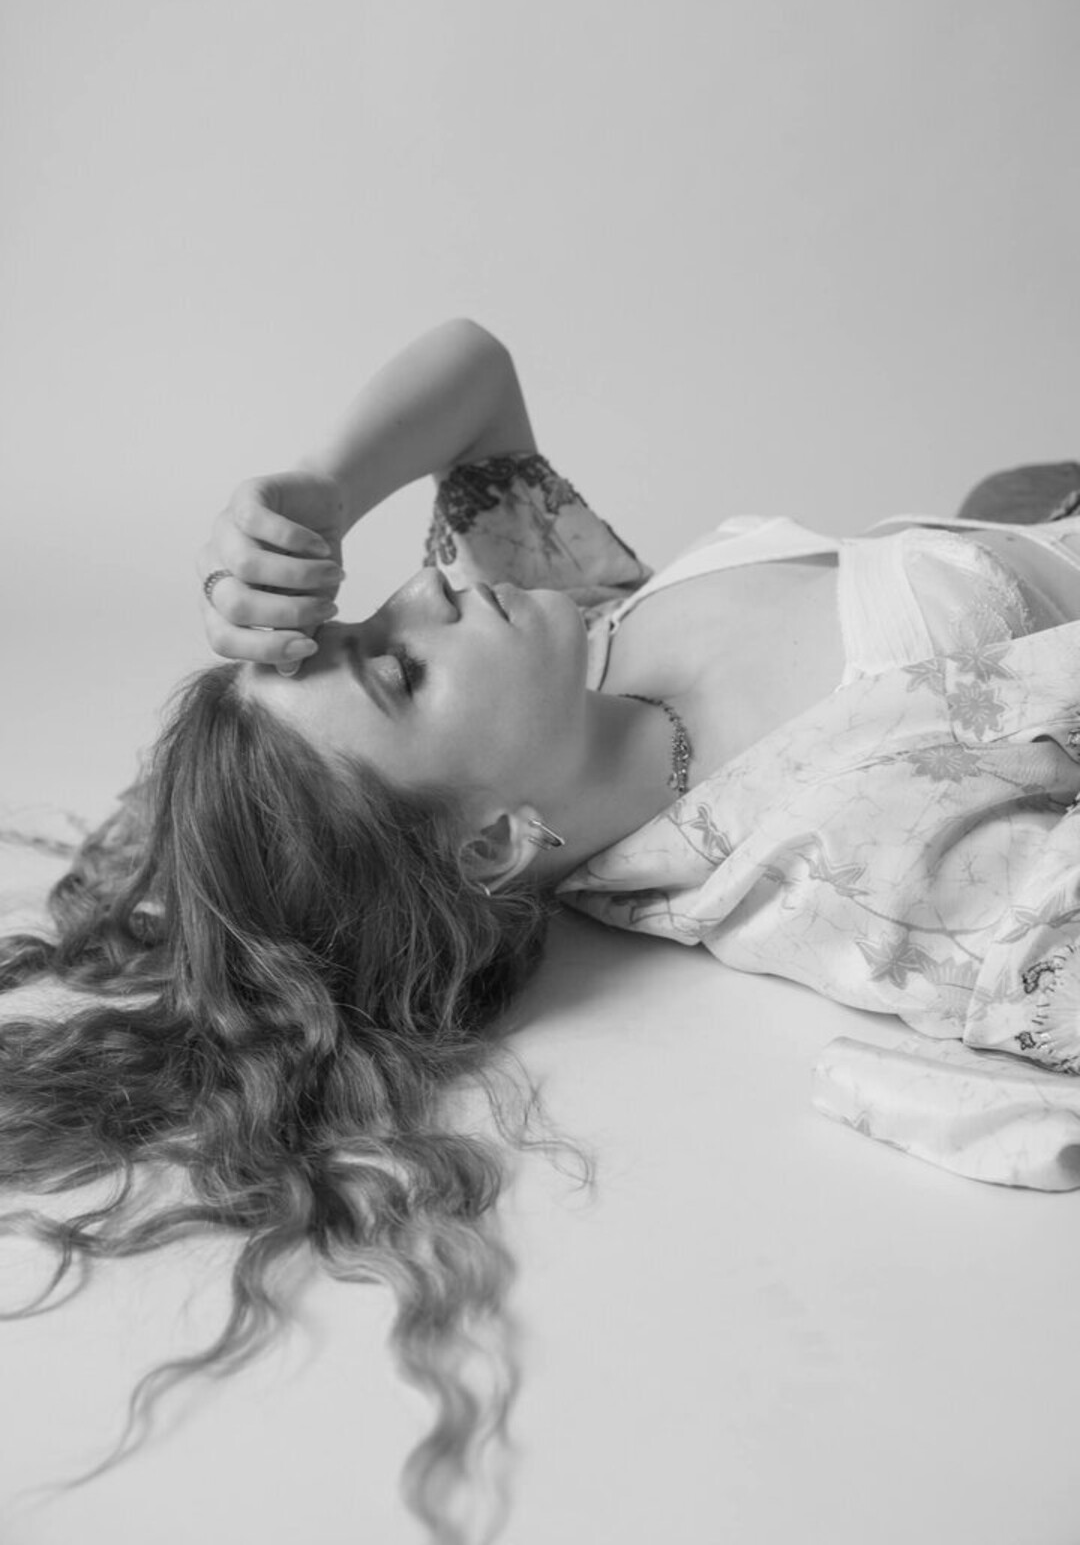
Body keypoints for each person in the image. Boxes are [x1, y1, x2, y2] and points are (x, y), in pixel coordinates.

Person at [4, 317, 1080, 1545]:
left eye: (363, 618)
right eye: (398, 671)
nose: (422, 590)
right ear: (491, 847)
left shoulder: (581, 633)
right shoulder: (846, 837)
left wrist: (318, 492)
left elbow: (474, 371)